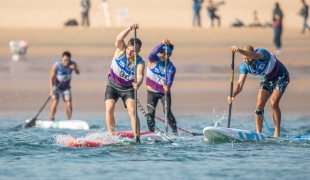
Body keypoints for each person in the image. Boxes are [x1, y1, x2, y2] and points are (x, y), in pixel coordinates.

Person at [228, 45, 290, 137]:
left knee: (273, 103)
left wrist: (239, 50)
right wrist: (232, 95)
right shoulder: (244, 66)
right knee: (259, 104)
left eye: (248, 58)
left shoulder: (262, 53)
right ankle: (258, 134)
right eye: (244, 58)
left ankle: (277, 133)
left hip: (281, 76)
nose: (247, 60)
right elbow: (240, 84)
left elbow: (255, 55)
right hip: (268, 78)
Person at [105, 23, 145, 140]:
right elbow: (118, 39)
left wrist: (138, 83)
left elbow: (140, 75)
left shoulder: (140, 62)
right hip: (112, 84)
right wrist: (129, 28)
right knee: (109, 108)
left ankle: (137, 137)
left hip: (128, 89)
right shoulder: (121, 50)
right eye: (129, 49)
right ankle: (112, 136)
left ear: (139, 51)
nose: (129, 53)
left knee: (132, 111)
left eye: (133, 51)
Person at [146, 39, 178, 135]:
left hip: (164, 93)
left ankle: (175, 133)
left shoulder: (171, 67)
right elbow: (152, 53)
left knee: (167, 113)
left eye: (165, 53)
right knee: (151, 113)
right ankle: (152, 134)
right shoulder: (153, 59)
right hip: (152, 92)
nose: (162, 54)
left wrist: (168, 86)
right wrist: (161, 44)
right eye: (161, 51)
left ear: (170, 54)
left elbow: (170, 80)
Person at [49, 51, 80, 121]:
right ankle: (51, 119)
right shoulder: (56, 65)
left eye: (68, 60)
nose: (66, 62)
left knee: (68, 101)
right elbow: (51, 78)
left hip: (66, 87)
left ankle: (69, 120)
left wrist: (75, 68)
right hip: (56, 86)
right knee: (55, 101)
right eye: (64, 60)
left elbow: (78, 72)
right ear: (61, 59)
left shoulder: (72, 64)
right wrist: (51, 90)